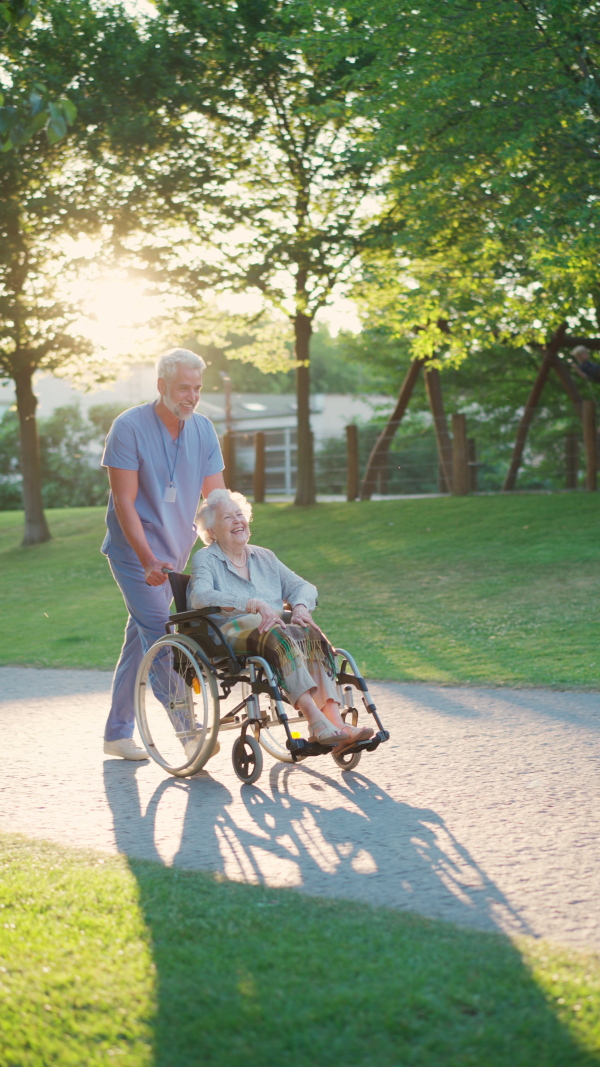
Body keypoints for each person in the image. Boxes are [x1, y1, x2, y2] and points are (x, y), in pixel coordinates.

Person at [101, 348, 225, 760]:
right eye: (182, 388)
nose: (190, 396)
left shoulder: (203, 429)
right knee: (162, 638)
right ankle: (190, 735)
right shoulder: (129, 427)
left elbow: (216, 496)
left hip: (175, 551)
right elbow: (124, 502)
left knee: (139, 640)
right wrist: (146, 559)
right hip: (135, 554)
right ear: (161, 386)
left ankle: (117, 734)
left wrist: (231, 544)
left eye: (197, 388)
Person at [187, 488, 374, 755]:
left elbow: (304, 586)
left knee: (309, 632)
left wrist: (299, 607)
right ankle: (314, 719)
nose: (237, 521)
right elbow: (200, 596)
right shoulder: (206, 558)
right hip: (231, 631)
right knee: (277, 634)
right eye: (227, 518)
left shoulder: (265, 557)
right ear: (212, 531)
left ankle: (336, 723)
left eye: (240, 514)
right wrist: (251, 603)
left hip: (274, 629)